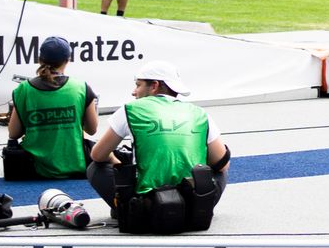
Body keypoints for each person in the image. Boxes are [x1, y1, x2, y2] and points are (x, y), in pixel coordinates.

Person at [86, 60, 231, 234]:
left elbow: (97, 155)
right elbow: (222, 164)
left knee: (96, 168)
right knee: (218, 170)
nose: (134, 92)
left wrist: (116, 161)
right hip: (193, 206)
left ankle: (126, 208)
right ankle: (198, 208)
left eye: (138, 85)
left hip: (146, 207)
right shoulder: (199, 113)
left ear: (154, 86)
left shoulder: (130, 109)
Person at [3, 35, 98, 181]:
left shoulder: (24, 89)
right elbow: (92, 130)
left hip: (33, 169)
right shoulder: (81, 87)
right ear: (68, 60)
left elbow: (14, 133)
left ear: (39, 59)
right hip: (76, 166)